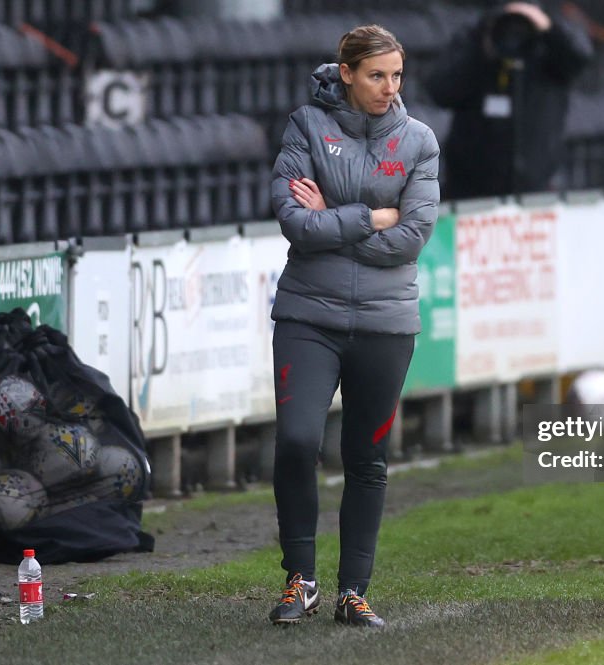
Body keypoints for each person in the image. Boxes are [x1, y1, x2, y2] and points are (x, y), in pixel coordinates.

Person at [267, 24, 440, 628]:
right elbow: (294, 221)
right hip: (306, 317)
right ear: (346, 73)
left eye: (397, 76)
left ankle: (353, 593)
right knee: (295, 443)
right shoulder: (305, 126)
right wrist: (371, 216)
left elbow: (413, 236)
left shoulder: (419, 141)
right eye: (376, 76)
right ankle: (300, 581)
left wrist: (335, 224)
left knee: (367, 458)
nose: (390, 89)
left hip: (386, 325)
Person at [424, 1, 593, 199]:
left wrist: (547, 29)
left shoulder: (551, 34)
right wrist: (483, 48)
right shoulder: (477, 33)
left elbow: (580, 59)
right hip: (472, 188)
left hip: (537, 186)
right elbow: (440, 91)